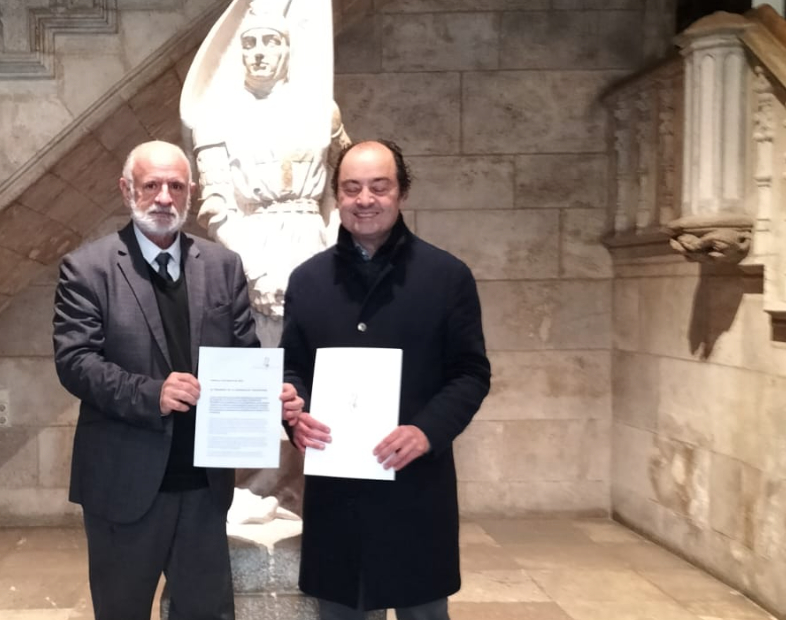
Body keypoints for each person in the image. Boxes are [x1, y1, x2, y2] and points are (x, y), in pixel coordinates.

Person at [52, 140, 304, 620]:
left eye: (175, 186)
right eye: (151, 185)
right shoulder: (87, 269)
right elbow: (76, 362)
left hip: (204, 489)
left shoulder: (223, 266)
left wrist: (271, 395)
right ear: (127, 190)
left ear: (191, 190)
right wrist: (154, 393)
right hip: (123, 486)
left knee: (207, 613)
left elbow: (243, 355)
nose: (164, 197)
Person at [279, 140, 492, 619]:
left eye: (379, 186)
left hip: (416, 489)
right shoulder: (307, 280)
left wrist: (426, 431)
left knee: (423, 611)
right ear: (336, 196)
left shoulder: (447, 276)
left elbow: (471, 372)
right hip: (336, 497)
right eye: (352, 188)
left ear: (402, 192)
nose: (365, 199)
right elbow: (292, 369)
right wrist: (295, 414)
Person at [191, 2, 350, 319]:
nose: (259, 53)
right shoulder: (216, 115)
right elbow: (217, 207)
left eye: (270, 41)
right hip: (250, 243)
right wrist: (254, 271)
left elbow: (344, 185)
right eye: (250, 43)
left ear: (286, 48)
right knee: (259, 340)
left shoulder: (321, 110)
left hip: (314, 237)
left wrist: (333, 246)